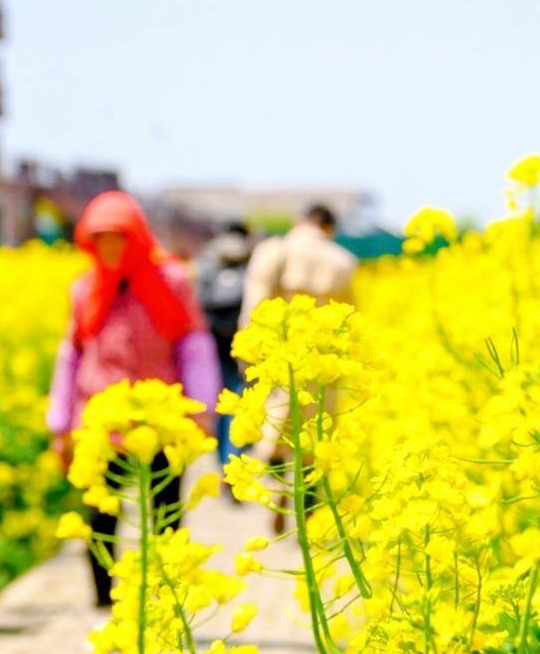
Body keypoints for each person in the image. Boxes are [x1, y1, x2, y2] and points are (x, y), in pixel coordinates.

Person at [46, 191, 221, 607]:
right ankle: (104, 597)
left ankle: (166, 593)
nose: (109, 247)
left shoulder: (172, 281)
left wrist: (200, 411)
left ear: (137, 238)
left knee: (166, 509)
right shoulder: (85, 289)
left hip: (160, 422)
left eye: (118, 237)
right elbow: (70, 357)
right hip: (103, 425)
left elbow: (193, 347)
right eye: (100, 237)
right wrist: (61, 425)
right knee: (102, 510)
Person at [240, 203, 359, 531]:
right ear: (329, 228)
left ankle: (278, 493)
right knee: (315, 442)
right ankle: (307, 515)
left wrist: (248, 353)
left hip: (281, 360)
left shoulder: (274, 251)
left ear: (299, 222)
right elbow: (347, 319)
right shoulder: (342, 260)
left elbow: (255, 303)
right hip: (322, 366)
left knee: (278, 433)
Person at [190, 221, 253, 471]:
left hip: (212, 336)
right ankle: (233, 458)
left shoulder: (208, 257)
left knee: (217, 398)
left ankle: (220, 459)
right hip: (239, 337)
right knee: (237, 398)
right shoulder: (250, 256)